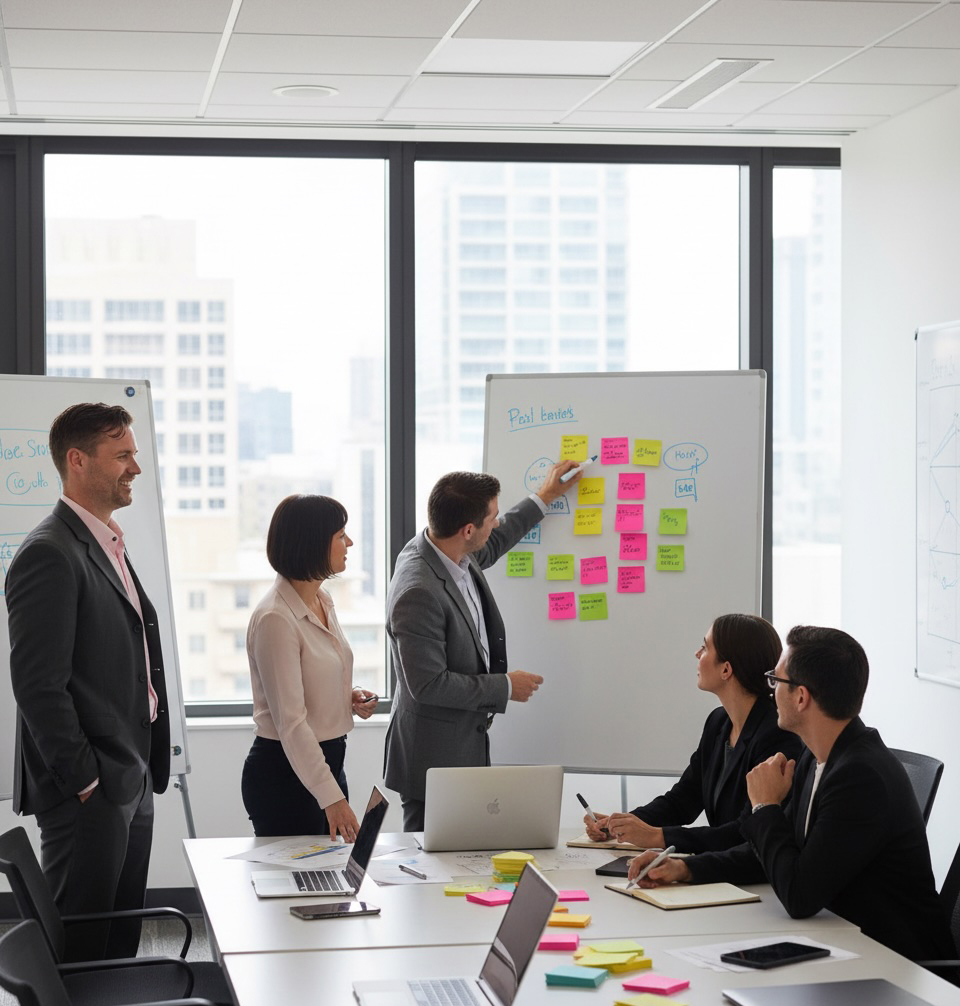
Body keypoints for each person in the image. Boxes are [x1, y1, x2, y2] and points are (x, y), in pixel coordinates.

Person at [628, 625, 953, 962]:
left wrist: (765, 806)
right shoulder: (817, 756)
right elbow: (768, 856)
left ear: (801, 697)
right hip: (840, 941)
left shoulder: (860, 776)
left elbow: (799, 896)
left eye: (776, 681)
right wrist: (685, 869)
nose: (771, 692)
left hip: (897, 964)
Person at [6, 402, 169, 962]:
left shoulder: (108, 542)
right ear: (77, 460)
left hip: (130, 771)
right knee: (80, 952)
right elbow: (37, 685)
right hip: (91, 787)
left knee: (117, 943)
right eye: (122, 455)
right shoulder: (49, 553)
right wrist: (85, 781)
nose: (135, 468)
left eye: (134, 454)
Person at [383, 463, 579, 831]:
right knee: (429, 869)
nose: (498, 523)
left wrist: (546, 495)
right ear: (468, 529)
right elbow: (427, 684)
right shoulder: (418, 590)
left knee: (460, 863)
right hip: (433, 759)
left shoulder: (450, 549)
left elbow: (499, 541)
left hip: (459, 751)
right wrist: (505, 686)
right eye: (493, 517)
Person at [585, 613, 802, 853]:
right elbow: (683, 801)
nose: (697, 654)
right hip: (722, 874)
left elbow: (744, 831)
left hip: (753, 880)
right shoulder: (718, 722)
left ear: (726, 669)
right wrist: (621, 823)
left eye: (705, 647)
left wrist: (657, 837)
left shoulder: (776, 734)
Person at [241, 495, 377, 840]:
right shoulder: (276, 617)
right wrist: (332, 798)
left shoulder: (321, 600)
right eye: (341, 535)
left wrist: (346, 696)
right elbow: (291, 723)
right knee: (305, 888)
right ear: (313, 543)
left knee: (328, 881)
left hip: (326, 762)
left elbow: (309, 680)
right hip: (286, 774)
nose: (349, 543)